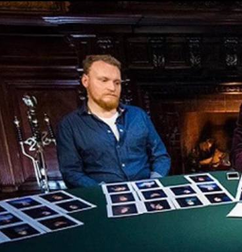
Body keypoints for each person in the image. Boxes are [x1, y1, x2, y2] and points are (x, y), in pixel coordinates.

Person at [57, 55, 171, 188]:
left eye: (117, 82)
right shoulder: (69, 125)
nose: (112, 88)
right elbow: (71, 173)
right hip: (101, 196)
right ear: (85, 81)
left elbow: (161, 156)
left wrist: (154, 183)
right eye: (104, 80)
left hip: (146, 192)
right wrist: (104, 191)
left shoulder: (138, 115)